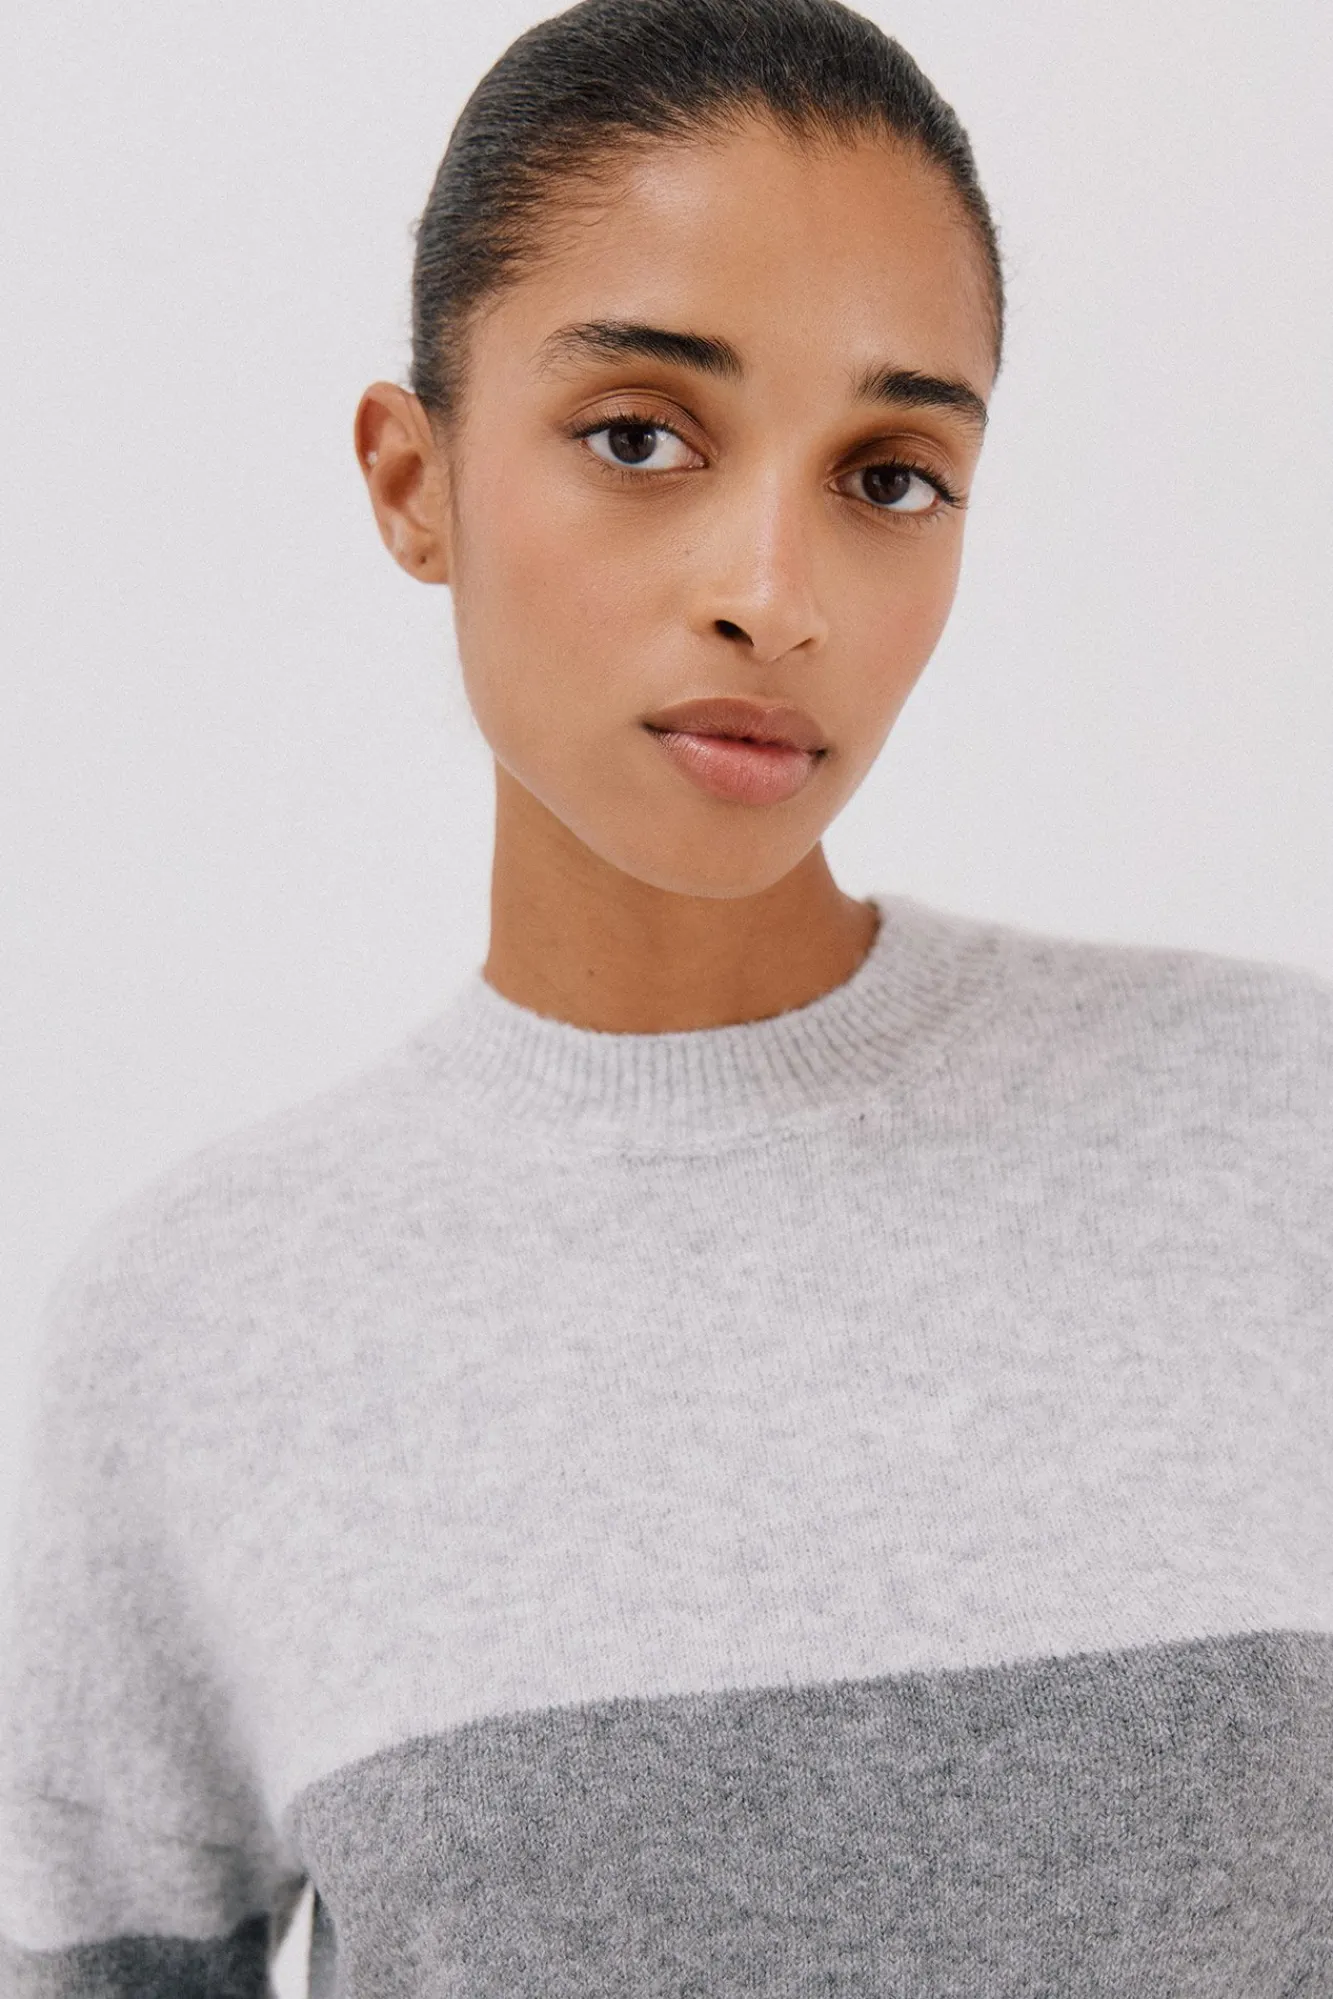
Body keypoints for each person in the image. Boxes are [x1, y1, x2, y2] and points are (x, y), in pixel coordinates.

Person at [2, 0, 1330, 1991]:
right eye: (641, 436)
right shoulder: (198, 1330)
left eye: (891, 474)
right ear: (413, 480)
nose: (773, 594)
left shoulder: (1281, 1130)